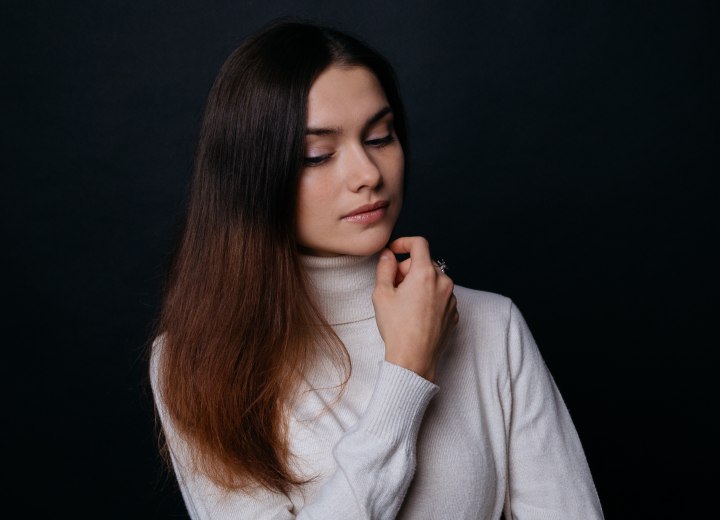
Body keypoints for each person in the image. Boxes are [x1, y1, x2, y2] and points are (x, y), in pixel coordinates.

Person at [148, 17, 605, 520]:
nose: (368, 174)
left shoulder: (492, 326)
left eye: (381, 137)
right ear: (252, 176)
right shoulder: (194, 359)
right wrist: (407, 371)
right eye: (317, 155)